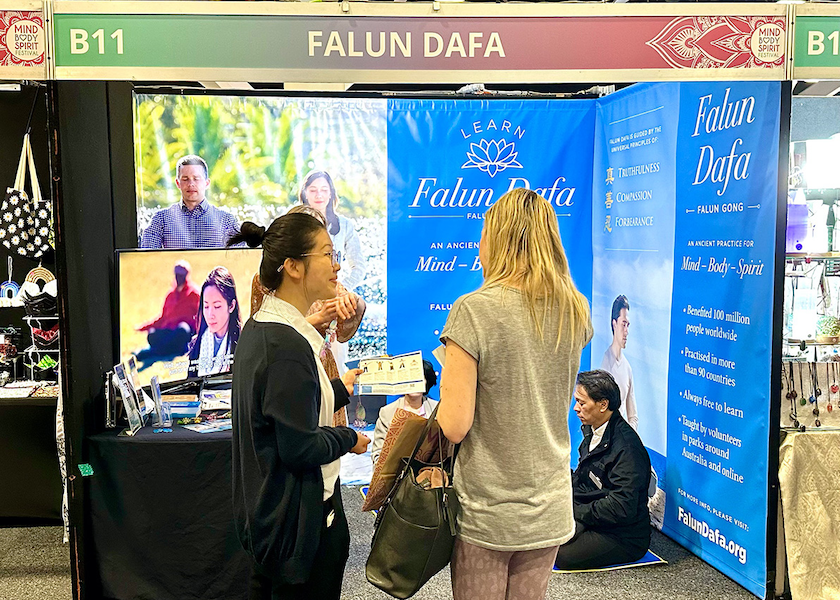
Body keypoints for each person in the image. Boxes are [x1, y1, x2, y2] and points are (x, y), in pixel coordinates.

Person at [437, 188, 593, 600]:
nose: (479, 242)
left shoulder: (473, 309)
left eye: (485, 230)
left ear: (502, 238)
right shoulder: (575, 308)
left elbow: (453, 425)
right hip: (550, 500)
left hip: (490, 507)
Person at [230, 212, 370, 600]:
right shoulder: (285, 345)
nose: (336, 264)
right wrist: (349, 437)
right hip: (296, 528)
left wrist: (338, 390)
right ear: (292, 266)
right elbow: (299, 445)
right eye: (326, 254)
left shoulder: (265, 327)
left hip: (274, 517)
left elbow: (288, 409)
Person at [249, 204, 366, 428]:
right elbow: (265, 334)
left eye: (331, 254)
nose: (336, 266)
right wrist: (315, 320)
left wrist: (354, 303)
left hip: (323, 370)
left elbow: (344, 330)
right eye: (325, 254)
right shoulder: (266, 285)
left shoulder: (327, 283)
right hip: (295, 373)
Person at [554, 370, 651, 570]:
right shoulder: (593, 429)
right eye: (576, 401)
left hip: (623, 534)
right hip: (594, 512)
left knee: (561, 556)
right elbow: (583, 477)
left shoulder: (627, 449)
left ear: (603, 405)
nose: (576, 408)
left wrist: (577, 512)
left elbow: (622, 507)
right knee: (545, 536)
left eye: (582, 403)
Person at [140, 155, 240, 248]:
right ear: (178, 183)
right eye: (185, 179)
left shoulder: (227, 221)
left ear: (207, 183)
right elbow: (147, 258)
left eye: (196, 179)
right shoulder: (161, 219)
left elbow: (240, 260)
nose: (191, 184)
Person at [299, 170, 366, 292]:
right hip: (302, 295)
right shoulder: (294, 223)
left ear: (331, 194)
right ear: (305, 194)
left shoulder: (345, 225)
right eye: (313, 190)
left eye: (324, 190)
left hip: (333, 296)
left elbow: (359, 268)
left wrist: (341, 289)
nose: (319, 195)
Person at [370, 359, 438, 466]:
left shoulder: (437, 410)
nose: (414, 383)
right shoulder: (387, 412)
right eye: (410, 378)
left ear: (427, 381)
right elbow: (378, 452)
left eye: (419, 379)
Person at [135, 260, 200, 367]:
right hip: (170, 331)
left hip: (185, 334)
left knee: (182, 329)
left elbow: (201, 317)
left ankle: (151, 352)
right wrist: (144, 327)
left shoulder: (194, 294)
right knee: (152, 335)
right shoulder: (170, 295)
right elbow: (162, 318)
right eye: (177, 275)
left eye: (181, 275)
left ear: (186, 276)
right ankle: (170, 349)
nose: (179, 278)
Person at [187, 266, 240, 378]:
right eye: (206, 306)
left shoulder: (243, 343)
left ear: (231, 306)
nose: (210, 315)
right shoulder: (196, 344)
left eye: (217, 306)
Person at [600, 294, 638, 430]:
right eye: (623, 324)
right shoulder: (604, 362)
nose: (626, 331)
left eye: (628, 325)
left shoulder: (627, 368)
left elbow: (633, 416)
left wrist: (627, 441)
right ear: (614, 323)